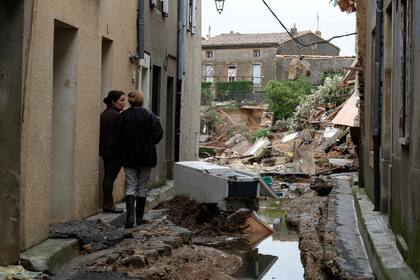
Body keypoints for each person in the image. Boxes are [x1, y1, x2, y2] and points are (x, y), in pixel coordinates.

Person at [116, 90, 163, 228]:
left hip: (128, 156)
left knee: (130, 185)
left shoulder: (123, 116)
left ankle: (130, 218)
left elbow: (117, 135)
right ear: (142, 101)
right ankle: (140, 218)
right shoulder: (149, 115)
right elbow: (158, 134)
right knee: (142, 186)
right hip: (145, 156)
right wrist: (148, 143)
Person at [99, 90, 126, 213]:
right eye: (121, 100)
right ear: (112, 101)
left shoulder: (106, 114)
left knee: (108, 176)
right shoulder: (115, 115)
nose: (123, 103)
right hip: (114, 151)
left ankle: (108, 202)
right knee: (110, 177)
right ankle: (108, 204)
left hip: (107, 151)